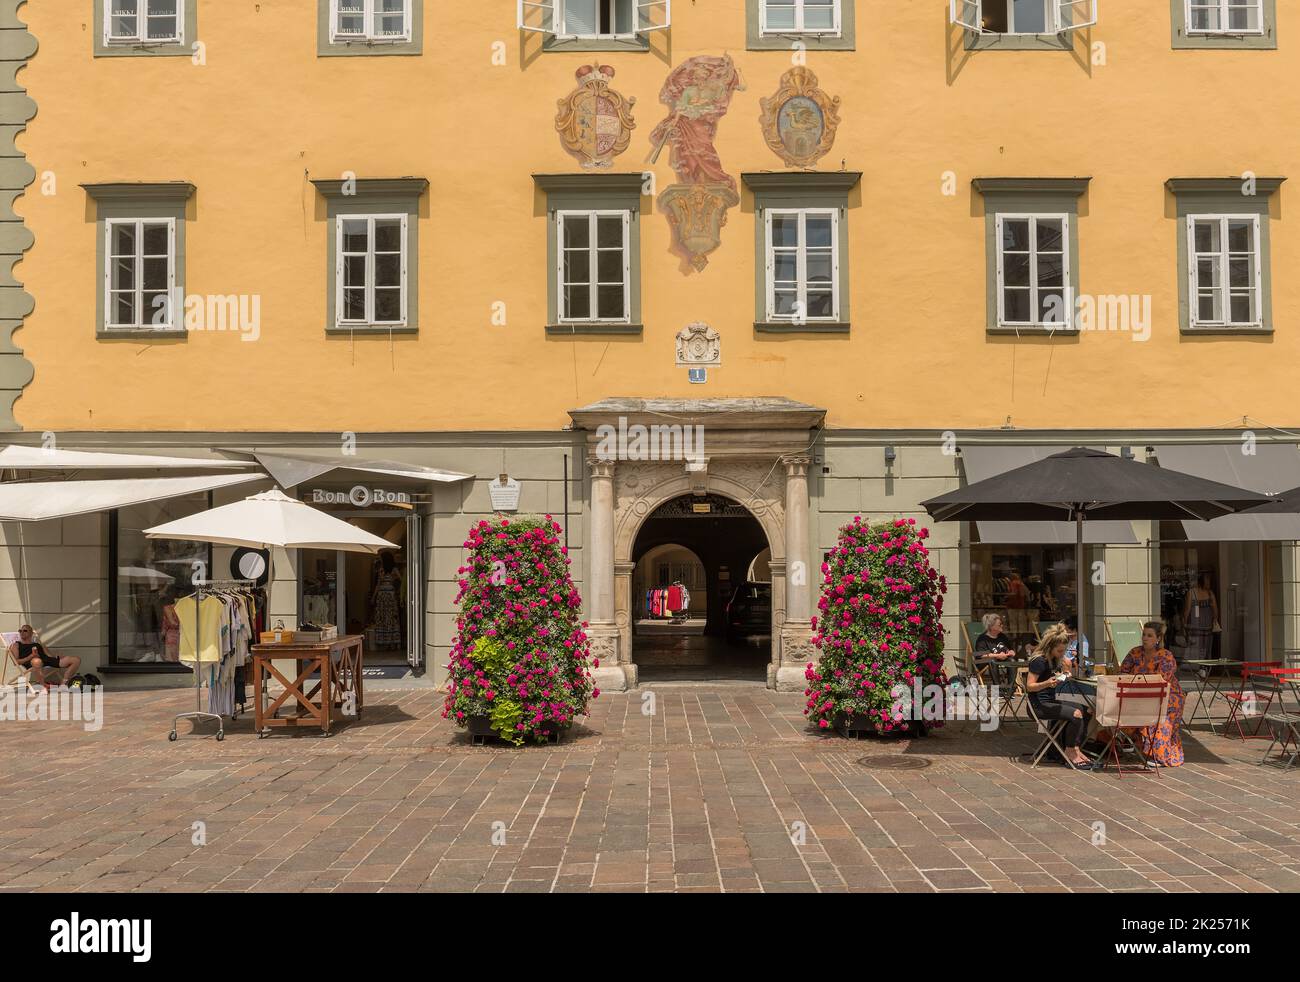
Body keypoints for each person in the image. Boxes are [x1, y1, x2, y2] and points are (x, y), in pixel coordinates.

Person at [1118, 620, 1185, 767]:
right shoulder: (1135, 652)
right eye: (1143, 634)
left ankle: (1158, 756)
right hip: (1139, 693)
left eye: (1149, 635)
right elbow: (1123, 672)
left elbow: (1162, 679)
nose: (1145, 638)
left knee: (1160, 715)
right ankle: (1129, 740)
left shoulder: (1166, 656)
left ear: (1158, 639)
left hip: (1167, 695)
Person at [1026, 623, 1091, 768]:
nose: (1062, 653)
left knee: (1086, 710)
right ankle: (1069, 751)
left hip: (1051, 700)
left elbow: (1060, 676)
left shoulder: (1055, 659)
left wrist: (1065, 673)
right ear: (1050, 647)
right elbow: (1029, 686)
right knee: (1076, 713)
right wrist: (1047, 683)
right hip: (1038, 705)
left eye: (1064, 650)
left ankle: (1074, 747)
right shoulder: (1039, 661)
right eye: (1060, 651)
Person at [7, 624, 80, 686]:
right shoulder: (16, 645)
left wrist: (57, 657)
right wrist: (31, 656)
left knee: (76, 660)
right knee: (37, 661)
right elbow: (16, 662)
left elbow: (49, 656)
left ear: (31, 633)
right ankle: (42, 686)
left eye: (25, 630)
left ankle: (63, 684)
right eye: (20, 631)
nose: (22, 632)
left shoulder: (37, 644)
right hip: (32, 662)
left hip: (46, 660)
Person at [1182, 572, 1218, 661]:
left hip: (1195, 625)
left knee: (1196, 648)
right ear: (1202, 581)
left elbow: (1187, 610)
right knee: (1205, 648)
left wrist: (1184, 623)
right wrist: (1215, 620)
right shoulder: (1210, 593)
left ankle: (1199, 667)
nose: (1209, 582)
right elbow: (1215, 611)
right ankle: (1203, 667)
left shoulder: (1192, 592)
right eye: (1207, 580)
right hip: (1205, 625)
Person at [974, 613, 1016, 687]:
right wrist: (998, 656)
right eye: (999, 624)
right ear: (992, 626)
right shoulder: (982, 639)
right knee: (992, 661)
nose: (1002, 625)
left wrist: (1010, 652)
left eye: (1001, 624)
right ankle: (997, 689)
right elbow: (981, 655)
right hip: (984, 663)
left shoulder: (1002, 636)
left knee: (1012, 661)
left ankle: (1010, 689)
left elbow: (1009, 649)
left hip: (1001, 660)